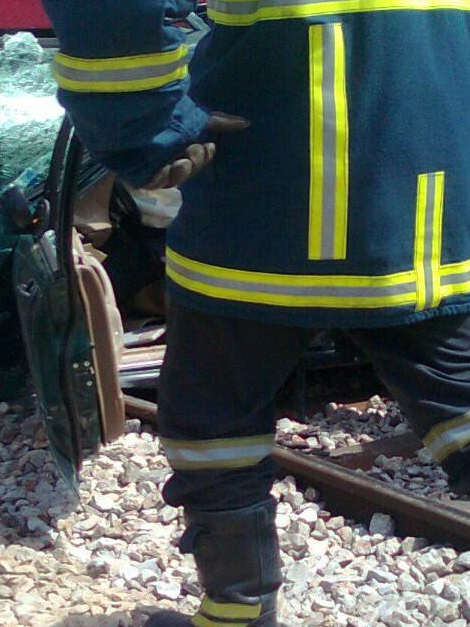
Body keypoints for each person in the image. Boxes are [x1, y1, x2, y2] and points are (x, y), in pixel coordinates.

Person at [41, 1, 470, 625]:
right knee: (456, 392)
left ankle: (236, 613)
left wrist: (140, 129)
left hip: (268, 187)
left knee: (216, 415)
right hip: (425, 183)